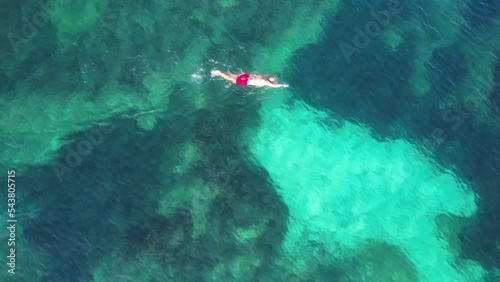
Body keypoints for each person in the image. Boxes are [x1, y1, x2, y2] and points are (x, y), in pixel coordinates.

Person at [211, 70, 289, 88]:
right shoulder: (266, 81)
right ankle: (219, 73)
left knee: (233, 75)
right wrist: (282, 85)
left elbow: (273, 81)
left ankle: (221, 72)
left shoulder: (266, 76)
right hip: (247, 81)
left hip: (247, 76)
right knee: (232, 80)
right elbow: (274, 86)